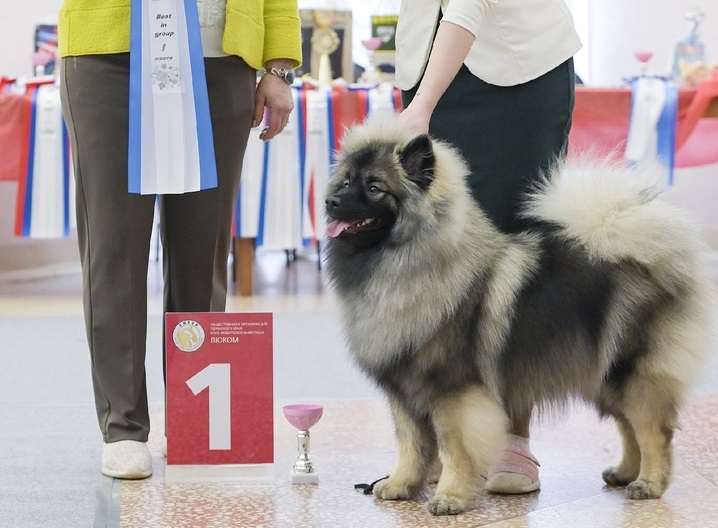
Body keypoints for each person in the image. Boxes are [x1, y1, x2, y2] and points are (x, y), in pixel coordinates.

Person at [57, 0, 301, 479]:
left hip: (223, 60)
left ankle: (198, 421)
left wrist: (278, 65)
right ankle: (123, 426)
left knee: (204, 250)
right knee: (114, 247)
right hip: (110, 56)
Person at [395, 0, 582, 494]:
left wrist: (422, 107)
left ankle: (513, 434)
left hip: (519, 74)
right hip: (427, 64)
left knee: (515, 254)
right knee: (426, 259)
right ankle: (434, 437)